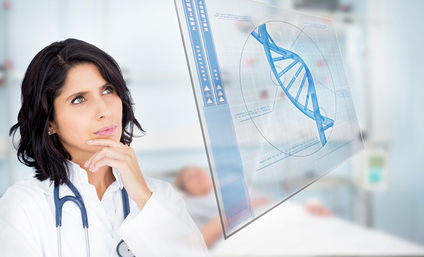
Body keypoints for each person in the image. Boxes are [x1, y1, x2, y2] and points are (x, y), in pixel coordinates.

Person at [0, 39, 209, 256]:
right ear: (50, 121)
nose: (103, 111)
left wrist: (143, 198)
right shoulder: (22, 206)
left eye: (107, 90)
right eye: (79, 99)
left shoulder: (160, 196)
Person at [175, 166, 332, 248]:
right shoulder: (190, 206)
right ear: (185, 188)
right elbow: (197, 242)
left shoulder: (231, 185)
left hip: (278, 221)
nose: (198, 175)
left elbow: (267, 202)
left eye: (198, 171)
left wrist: (301, 212)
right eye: (190, 177)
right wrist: (242, 209)